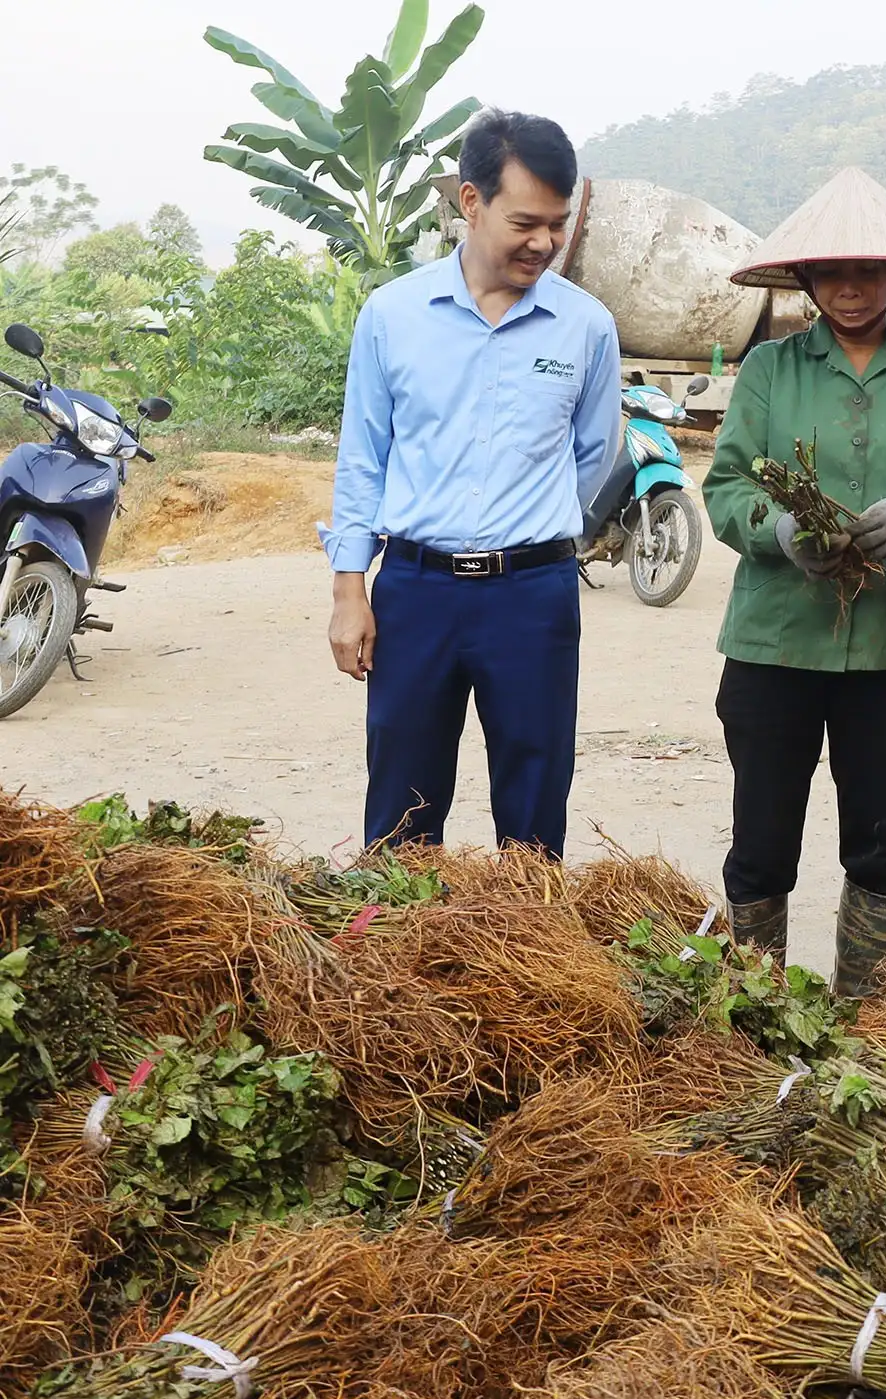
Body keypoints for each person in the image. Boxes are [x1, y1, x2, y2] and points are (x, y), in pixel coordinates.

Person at [703, 168, 886, 992]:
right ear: (806, 279)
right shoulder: (769, 371)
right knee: (761, 839)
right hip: (773, 646)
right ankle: (758, 1015)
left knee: (879, 837)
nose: (852, 288)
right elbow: (726, 487)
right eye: (833, 271)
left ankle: (863, 1016)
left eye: (871, 271)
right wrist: (781, 527)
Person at [326, 109, 619, 856]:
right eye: (526, 222)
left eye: (557, 224)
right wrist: (348, 591)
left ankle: (522, 955)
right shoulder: (393, 315)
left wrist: (537, 534)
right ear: (470, 202)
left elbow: (593, 454)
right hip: (416, 592)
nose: (544, 243)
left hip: (533, 598)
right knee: (402, 801)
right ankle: (391, 948)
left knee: (534, 797)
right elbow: (364, 457)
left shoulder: (584, 327)